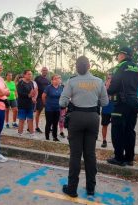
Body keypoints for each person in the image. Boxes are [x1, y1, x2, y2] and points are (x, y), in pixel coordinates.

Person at [59, 56, 109, 197]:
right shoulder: (99, 81)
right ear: (89, 66)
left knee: (75, 155)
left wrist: (72, 103)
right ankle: (91, 188)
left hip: (76, 118)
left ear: (76, 67)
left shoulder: (72, 81)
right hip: (93, 118)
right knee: (90, 154)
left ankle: (72, 189)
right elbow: (105, 102)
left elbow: (62, 102)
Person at [106, 46, 138, 167]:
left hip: (121, 103)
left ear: (123, 55)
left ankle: (118, 158)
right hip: (134, 101)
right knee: (129, 130)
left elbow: (114, 85)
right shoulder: (136, 67)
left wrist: (108, 91)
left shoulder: (120, 66)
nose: (117, 57)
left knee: (117, 130)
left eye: (119, 54)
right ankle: (129, 158)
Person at [42, 74, 63, 141]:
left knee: (55, 123)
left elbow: (62, 97)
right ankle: (47, 137)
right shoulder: (48, 87)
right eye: (55, 78)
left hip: (57, 108)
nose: (57, 80)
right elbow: (43, 96)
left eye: (58, 78)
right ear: (52, 80)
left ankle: (55, 137)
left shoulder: (61, 88)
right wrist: (45, 104)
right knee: (49, 122)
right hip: (49, 109)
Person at [17, 70, 36, 137]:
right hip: (22, 104)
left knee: (30, 119)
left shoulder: (31, 83)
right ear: (24, 75)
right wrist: (28, 95)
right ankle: (20, 133)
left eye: (31, 74)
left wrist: (33, 97)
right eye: (28, 74)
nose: (30, 75)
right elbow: (19, 93)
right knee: (22, 119)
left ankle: (32, 134)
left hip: (30, 104)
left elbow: (32, 92)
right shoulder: (21, 83)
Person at [34, 67, 50, 133]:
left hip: (46, 98)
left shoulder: (48, 80)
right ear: (41, 71)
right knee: (38, 112)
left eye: (46, 70)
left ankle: (49, 127)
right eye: (43, 70)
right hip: (39, 98)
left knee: (48, 113)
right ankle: (36, 127)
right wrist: (34, 97)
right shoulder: (37, 78)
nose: (45, 71)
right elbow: (34, 87)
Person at [101, 74, 114, 148]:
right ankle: (104, 140)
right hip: (106, 109)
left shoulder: (116, 86)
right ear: (106, 79)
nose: (110, 79)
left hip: (114, 109)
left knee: (115, 126)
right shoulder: (103, 87)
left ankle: (114, 141)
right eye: (108, 78)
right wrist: (107, 84)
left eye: (111, 78)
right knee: (104, 125)